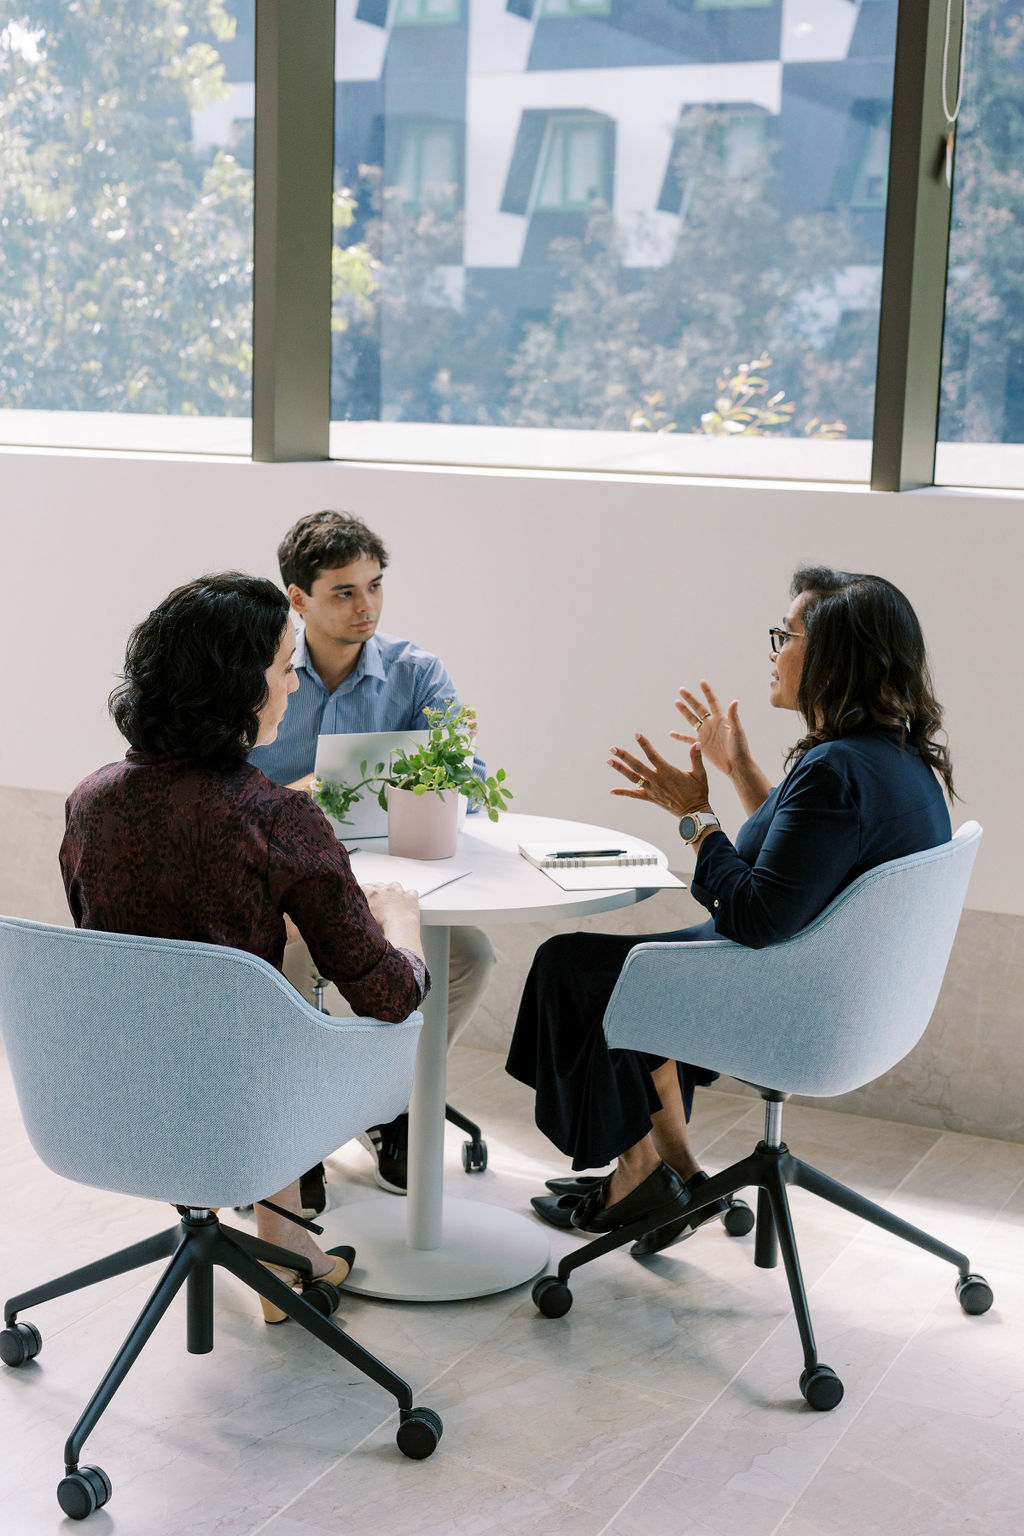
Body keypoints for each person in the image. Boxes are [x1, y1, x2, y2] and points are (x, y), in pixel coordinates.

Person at [507, 567, 954, 1253]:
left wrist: (694, 818)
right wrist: (741, 768)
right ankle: (675, 1170)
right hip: (847, 1000)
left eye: (786, 635)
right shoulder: (894, 761)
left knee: (575, 969)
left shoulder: (834, 769)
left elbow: (754, 914)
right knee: (637, 967)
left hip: (786, 1001)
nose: (773, 650)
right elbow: (803, 865)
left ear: (834, 657)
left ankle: (637, 1174)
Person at [59, 573, 428, 1322]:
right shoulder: (278, 819)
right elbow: (389, 995)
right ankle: (288, 1261)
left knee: (257, 1000)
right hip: (243, 1104)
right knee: (277, 1023)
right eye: (284, 665)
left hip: (107, 1094)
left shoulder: (89, 800)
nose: (292, 685)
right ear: (236, 685)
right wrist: (401, 923)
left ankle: (287, 1260)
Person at [248, 510, 495, 1199]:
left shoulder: (416, 673)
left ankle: (387, 1107)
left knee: (469, 959)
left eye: (375, 587)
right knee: (280, 963)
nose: (367, 608)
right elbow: (222, 790)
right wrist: (294, 800)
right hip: (282, 881)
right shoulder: (261, 672)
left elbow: (469, 790)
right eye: (344, 592)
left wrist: (446, 768)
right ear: (297, 599)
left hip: (385, 879)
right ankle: (287, 1142)